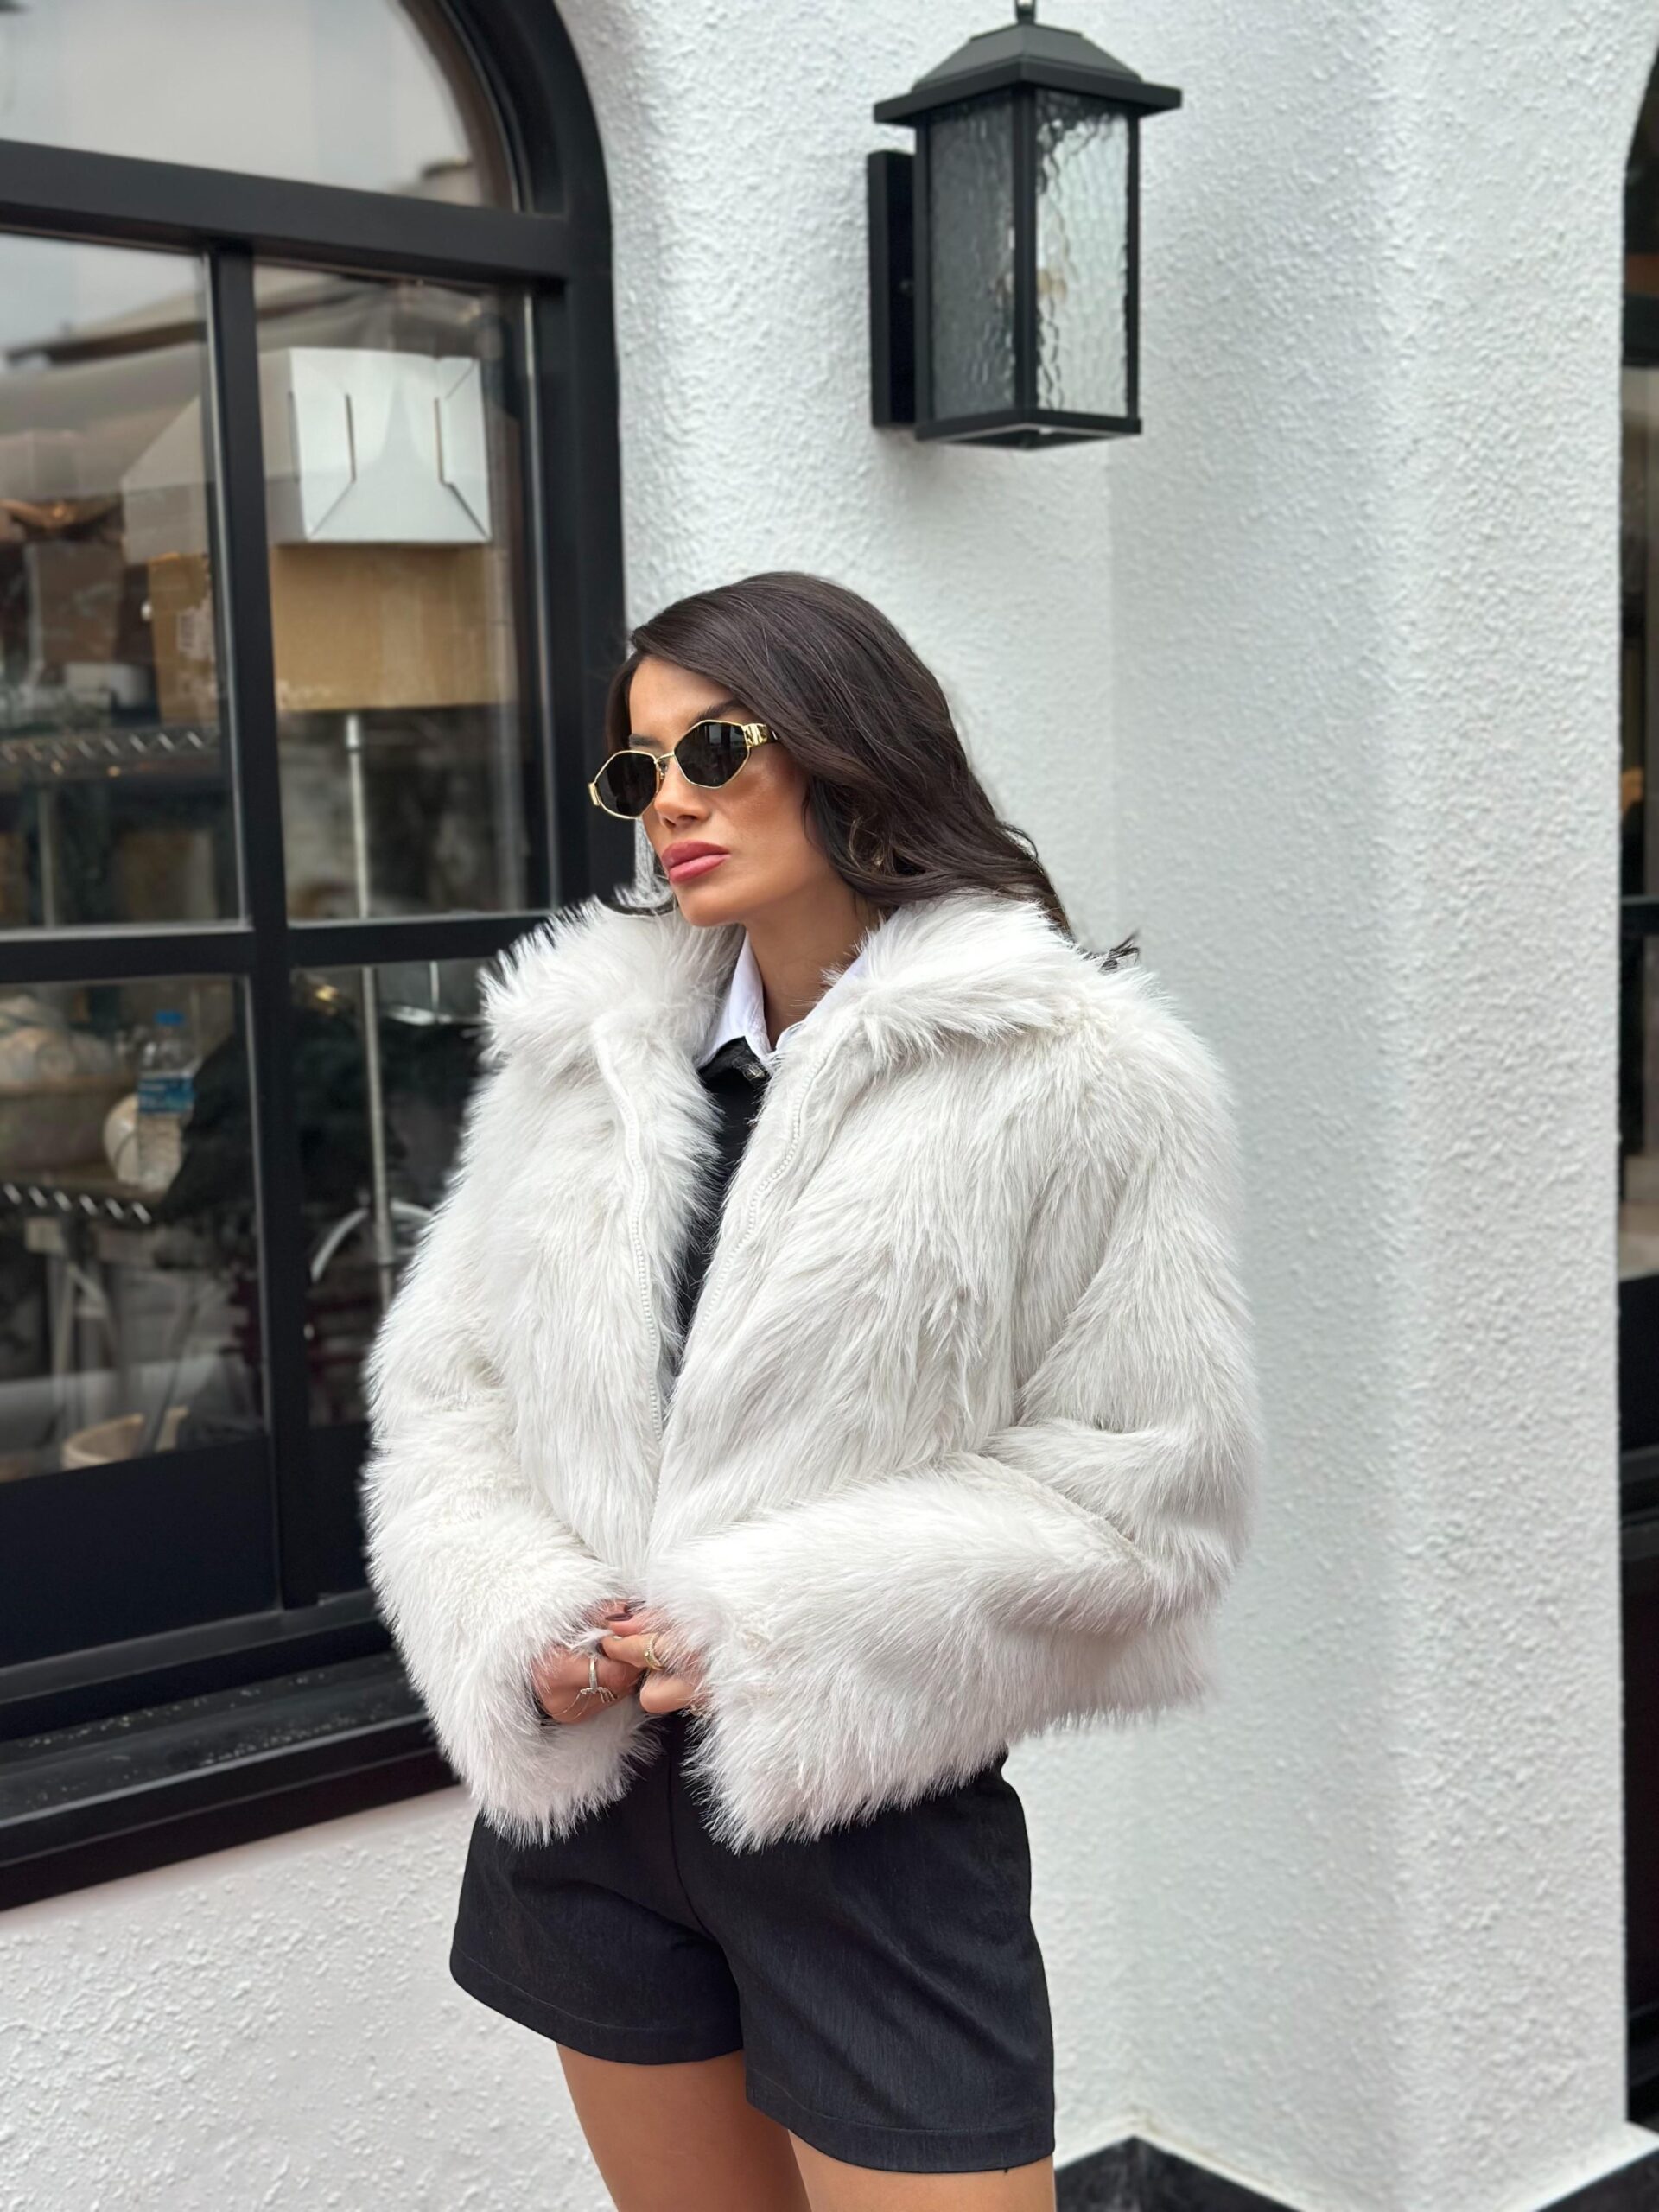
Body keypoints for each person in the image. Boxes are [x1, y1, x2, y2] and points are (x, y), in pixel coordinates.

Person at [359, 570, 1263, 2212]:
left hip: (871, 1821)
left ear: (847, 742)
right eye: (638, 771)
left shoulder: (1076, 1074)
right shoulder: (580, 1063)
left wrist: (768, 1626)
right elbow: (452, 1396)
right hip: (599, 1817)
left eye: (713, 748)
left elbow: (1146, 1495)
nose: (670, 804)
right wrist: (518, 1619)